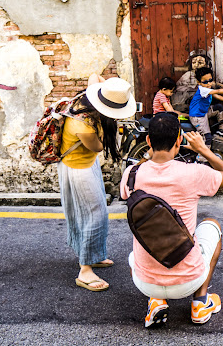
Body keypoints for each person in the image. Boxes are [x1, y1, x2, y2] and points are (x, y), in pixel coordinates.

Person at [120, 112, 223, 328]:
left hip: (145, 283)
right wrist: (203, 149)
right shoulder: (193, 173)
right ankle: (200, 302)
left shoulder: (131, 174)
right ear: (179, 141)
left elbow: (143, 173)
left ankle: (156, 300)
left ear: (148, 141)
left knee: (134, 252)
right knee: (213, 225)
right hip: (188, 279)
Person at [59, 74, 137, 292]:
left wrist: (108, 86)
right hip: (77, 169)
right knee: (94, 215)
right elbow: (97, 147)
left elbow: (94, 76)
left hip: (86, 164)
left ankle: (93, 256)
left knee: (97, 211)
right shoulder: (84, 125)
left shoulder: (90, 96)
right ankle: (85, 271)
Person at [187, 66, 223, 139]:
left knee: (219, 108)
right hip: (198, 117)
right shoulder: (203, 90)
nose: (209, 83)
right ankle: (205, 149)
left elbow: (216, 95)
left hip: (203, 112)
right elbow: (218, 91)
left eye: (210, 80)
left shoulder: (207, 88)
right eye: (205, 82)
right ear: (199, 82)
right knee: (207, 137)